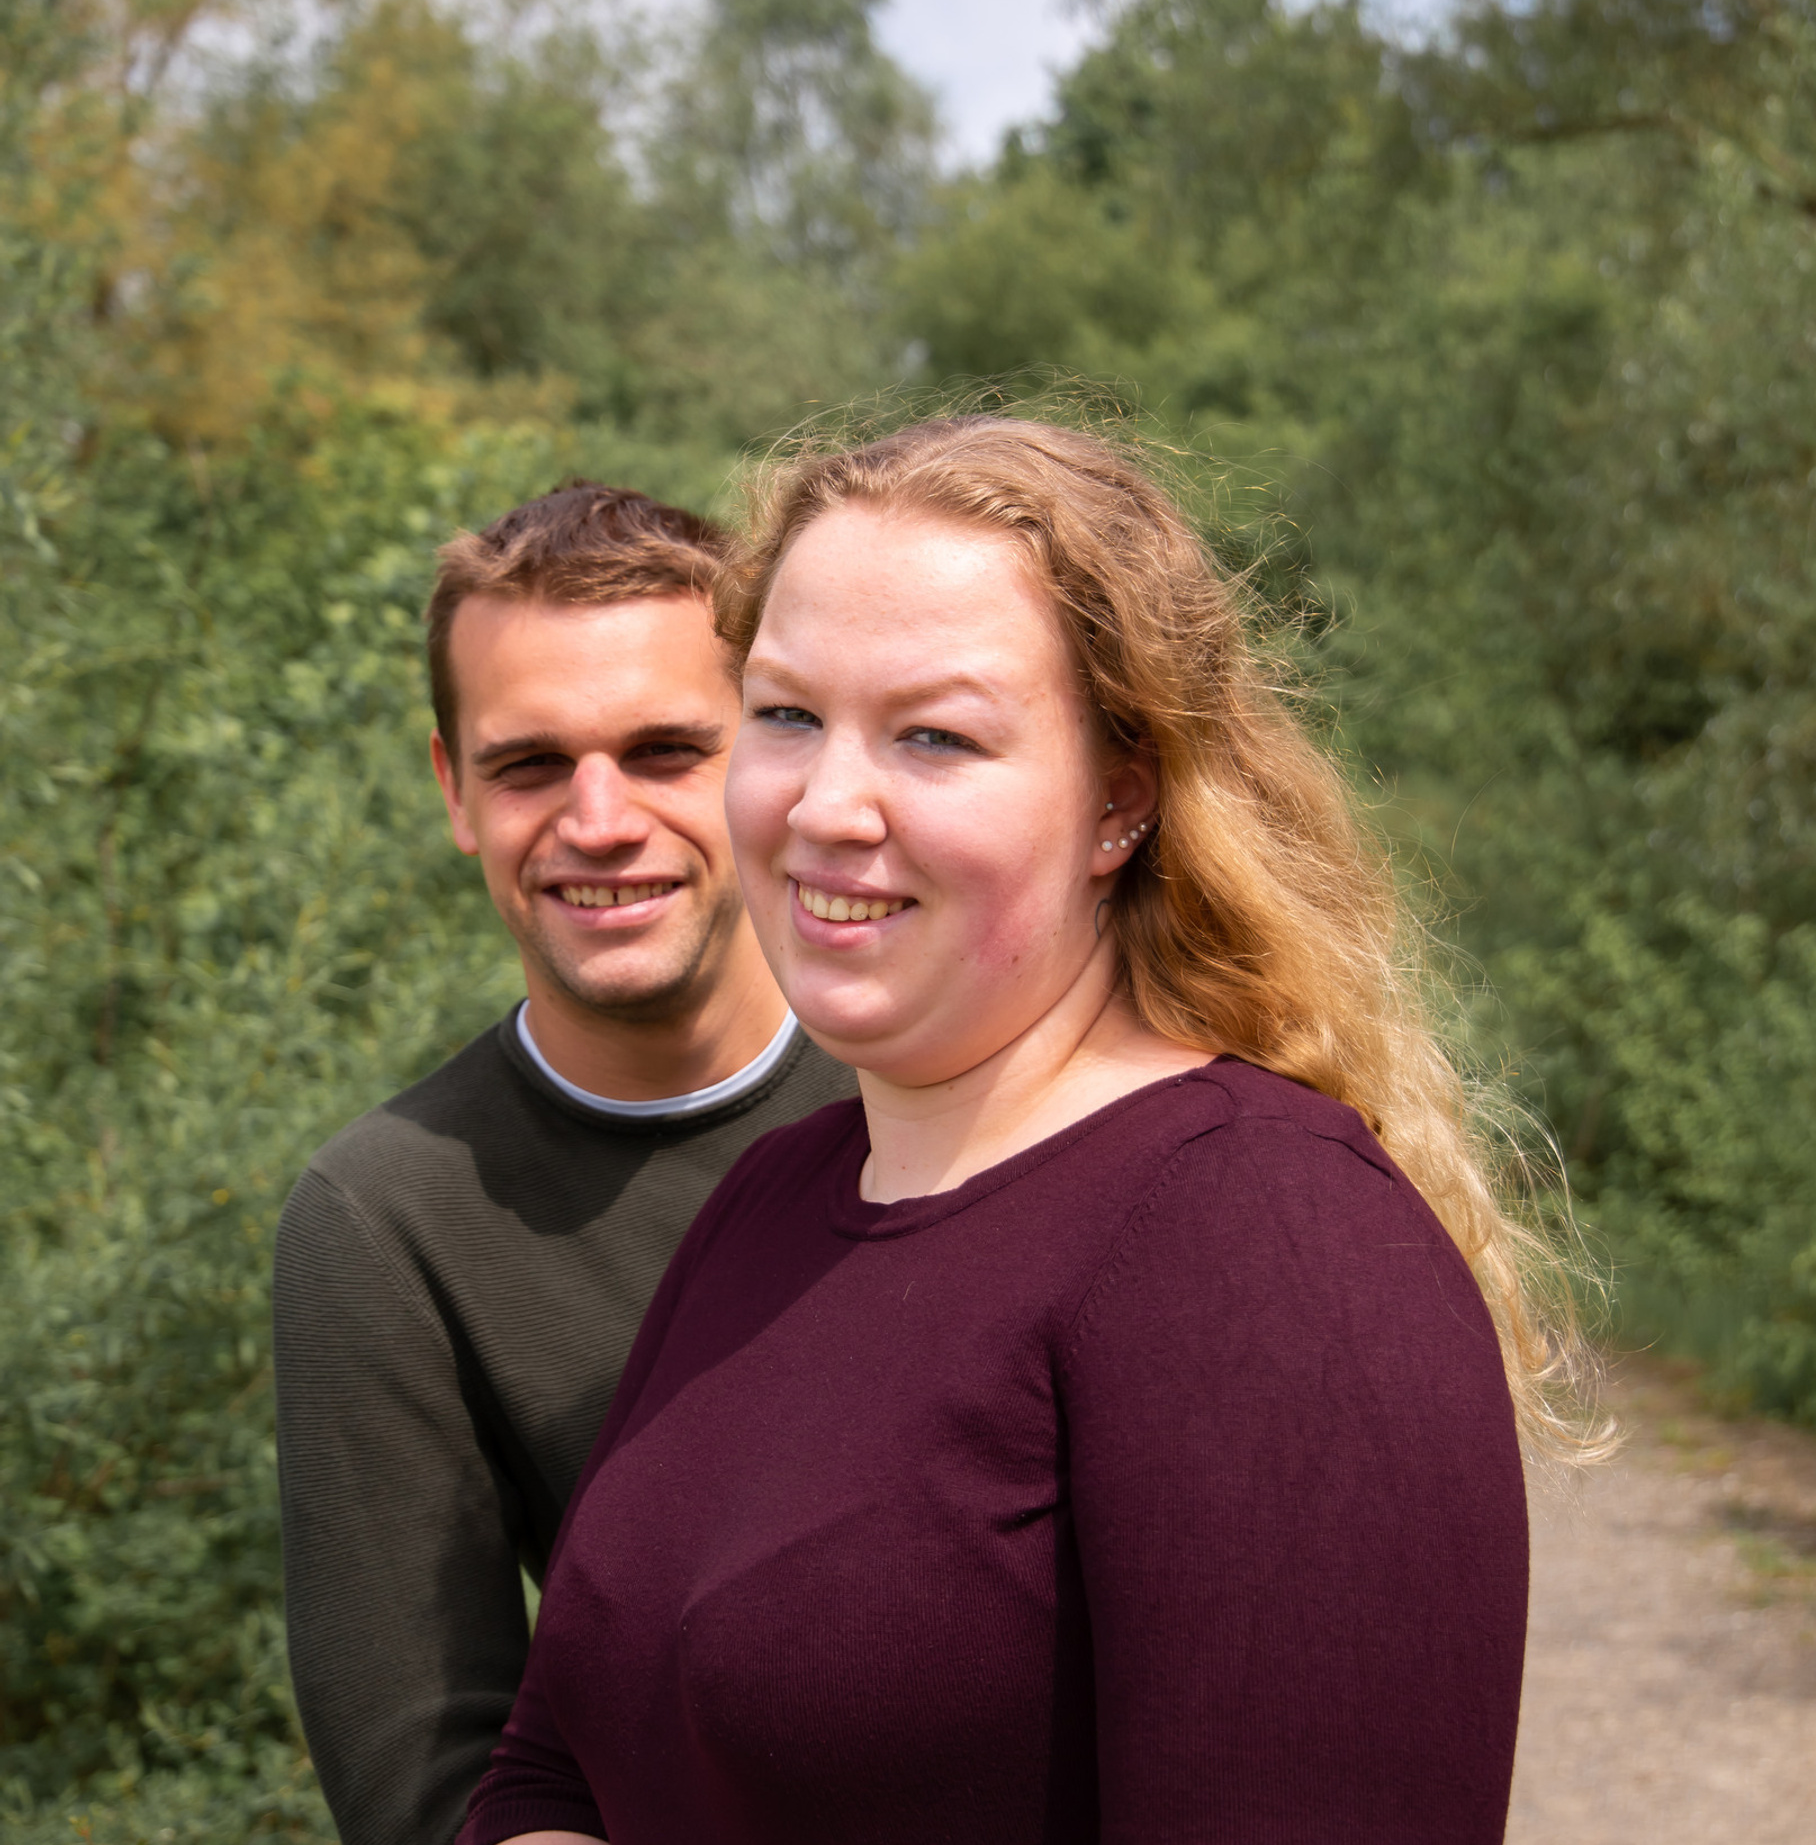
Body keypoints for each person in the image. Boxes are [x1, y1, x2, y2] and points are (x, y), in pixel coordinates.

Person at [459, 419, 1583, 1845]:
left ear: (1120, 800)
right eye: (788, 714)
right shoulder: (773, 1199)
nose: (824, 806)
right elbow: (553, 1756)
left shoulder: (1268, 1241)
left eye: (934, 735)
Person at [271, 483, 857, 1845]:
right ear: (453, 792)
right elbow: (436, 1783)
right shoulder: (388, 1218)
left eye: (665, 752)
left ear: (778, 757)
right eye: (530, 764)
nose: (598, 820)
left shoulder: (963, 1080)